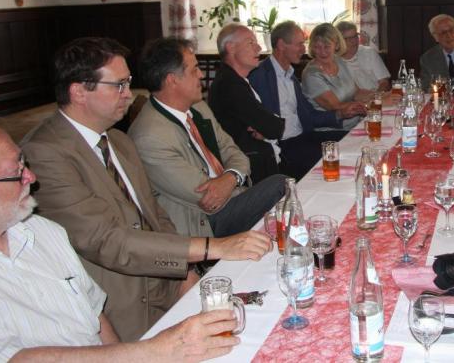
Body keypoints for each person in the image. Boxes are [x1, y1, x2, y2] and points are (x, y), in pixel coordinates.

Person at [22, 37, 272, 341]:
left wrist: (184, 272)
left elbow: (155, 214)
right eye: (119, 85)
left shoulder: (118, 140)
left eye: (128, 83)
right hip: (118, 304)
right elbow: (107, 241)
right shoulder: (44, 153)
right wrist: (213, 247)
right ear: (79, 92)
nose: (129, 94)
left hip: (164, 277)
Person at [0, 118, 241, 361]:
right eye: (15, 173)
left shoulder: (42, 231)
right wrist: (156, 351)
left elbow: (97, 317)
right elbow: (19, 360)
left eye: (23, 163)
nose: (31, 176)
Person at [128, 36, 286, 240]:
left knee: (283, 197)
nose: (201, 75)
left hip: (230, 195)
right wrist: (236, 181)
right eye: (194, 69)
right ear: (172, 80)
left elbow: (233, 151)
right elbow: (207, 197)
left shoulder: (198, 108)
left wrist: (232, 176)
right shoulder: (150, 137)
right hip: (201, 222)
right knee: (281, 185)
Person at [250, 21, 364, 180]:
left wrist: (339, 114)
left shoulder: (290, 76)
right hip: (284, 144)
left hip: (304, 136)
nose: (304, 49)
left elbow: (309, 115)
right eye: (299, 44)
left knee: (355, 142)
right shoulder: (260, 75)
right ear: (281, 45)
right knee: (337, 161)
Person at [206, 24, 283, 183]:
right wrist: (267, 126)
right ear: (231, 47)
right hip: (244, 165)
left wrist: (265, 127)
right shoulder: (230, 84)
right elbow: (273, 127)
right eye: (251, 43)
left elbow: (268, 125)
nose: (259, 48)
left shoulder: (234, 79)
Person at [301, 23, 369, 131]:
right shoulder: (311, 75)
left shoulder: (339, 61)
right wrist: (369, 105)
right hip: (331, 132)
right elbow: (334, 106)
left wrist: (380, 96)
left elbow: (357, 92)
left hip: (355, 124)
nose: (322, 52)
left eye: (327, 46)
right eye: (317, 47)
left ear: (336, 45)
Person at [335, 20, 391, 91]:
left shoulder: (369, 52)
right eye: (348, 38)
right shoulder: (334, 61)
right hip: (354, 97)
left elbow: (384, 82)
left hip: (377, 94)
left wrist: (377, 96)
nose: (354, 41)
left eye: (355, 36)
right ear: (339, 41)